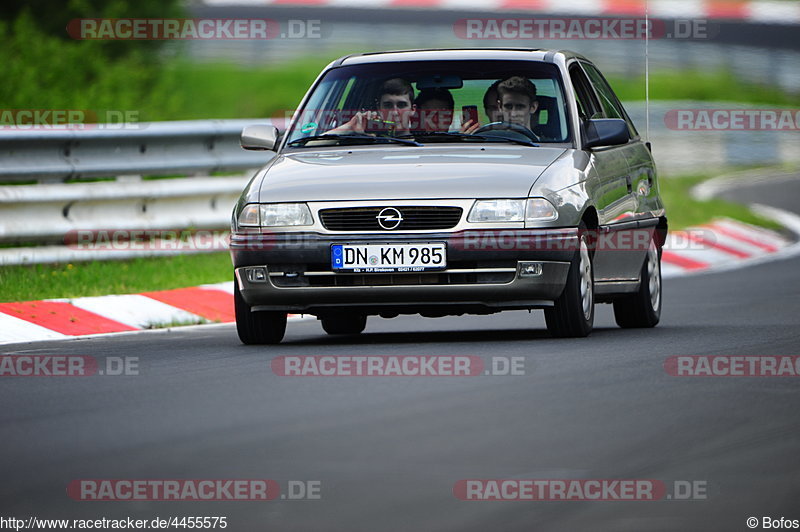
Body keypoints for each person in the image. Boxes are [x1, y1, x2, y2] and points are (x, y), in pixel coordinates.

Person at [327, 78, 416, 136]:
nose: (394, 112)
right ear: (378, 108)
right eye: (388, 106)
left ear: (413, 109)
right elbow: (314, 145)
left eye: (401, 105)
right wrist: (350, 126)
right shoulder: (366, 142)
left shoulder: (426, 144)